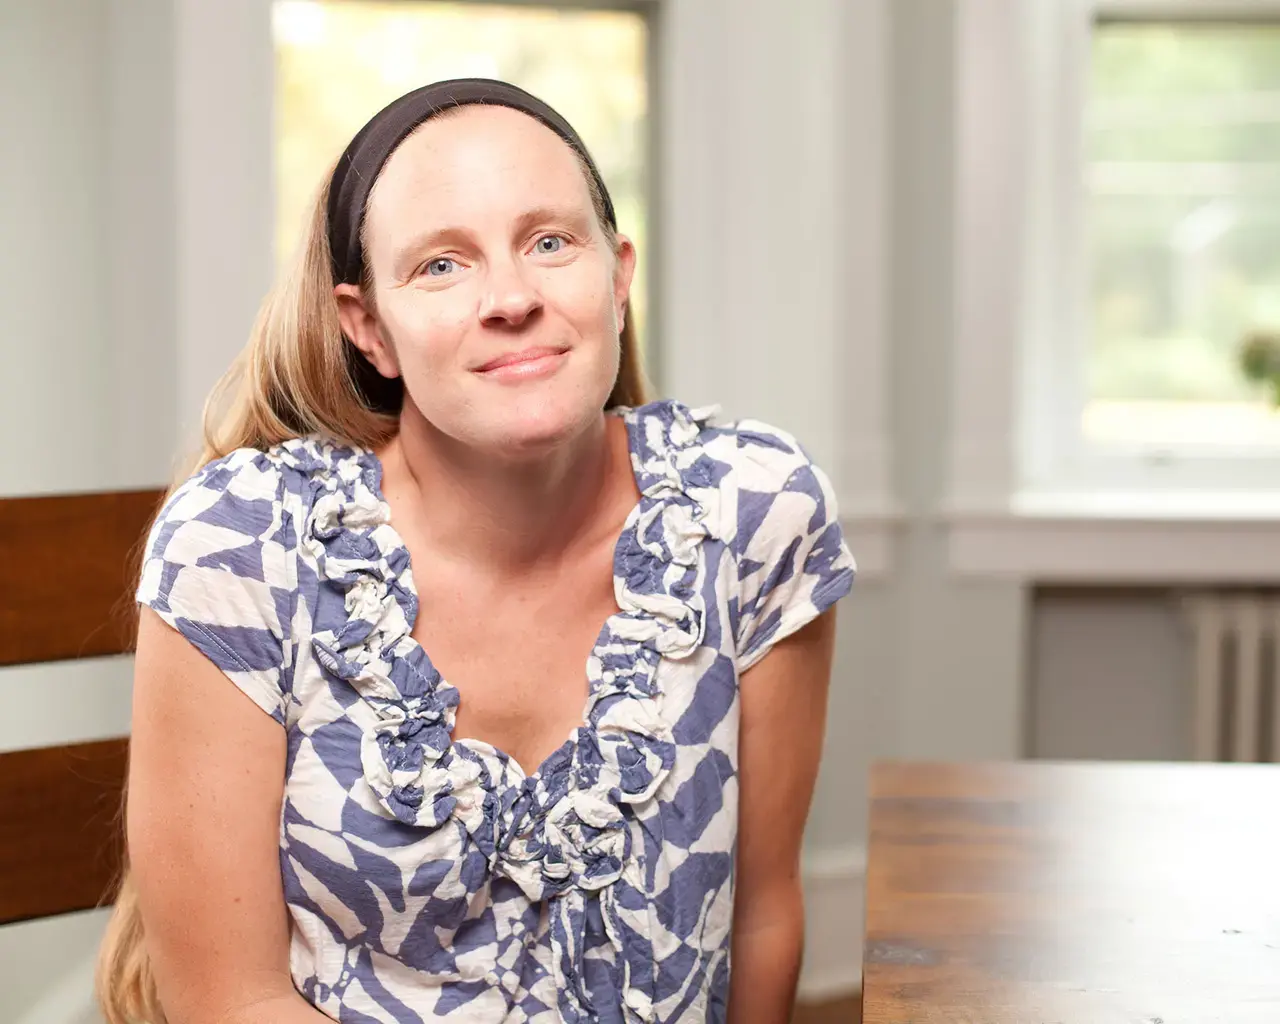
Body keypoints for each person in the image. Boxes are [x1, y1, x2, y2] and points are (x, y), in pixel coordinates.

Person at [96, 79, 855, 1024]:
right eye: (442, 266)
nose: (510, 298)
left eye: (548, 242)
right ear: (368, 326)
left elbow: (761, 916)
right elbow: (230, 1001)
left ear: (617, 278)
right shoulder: (243, 546)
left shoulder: (753, 513)